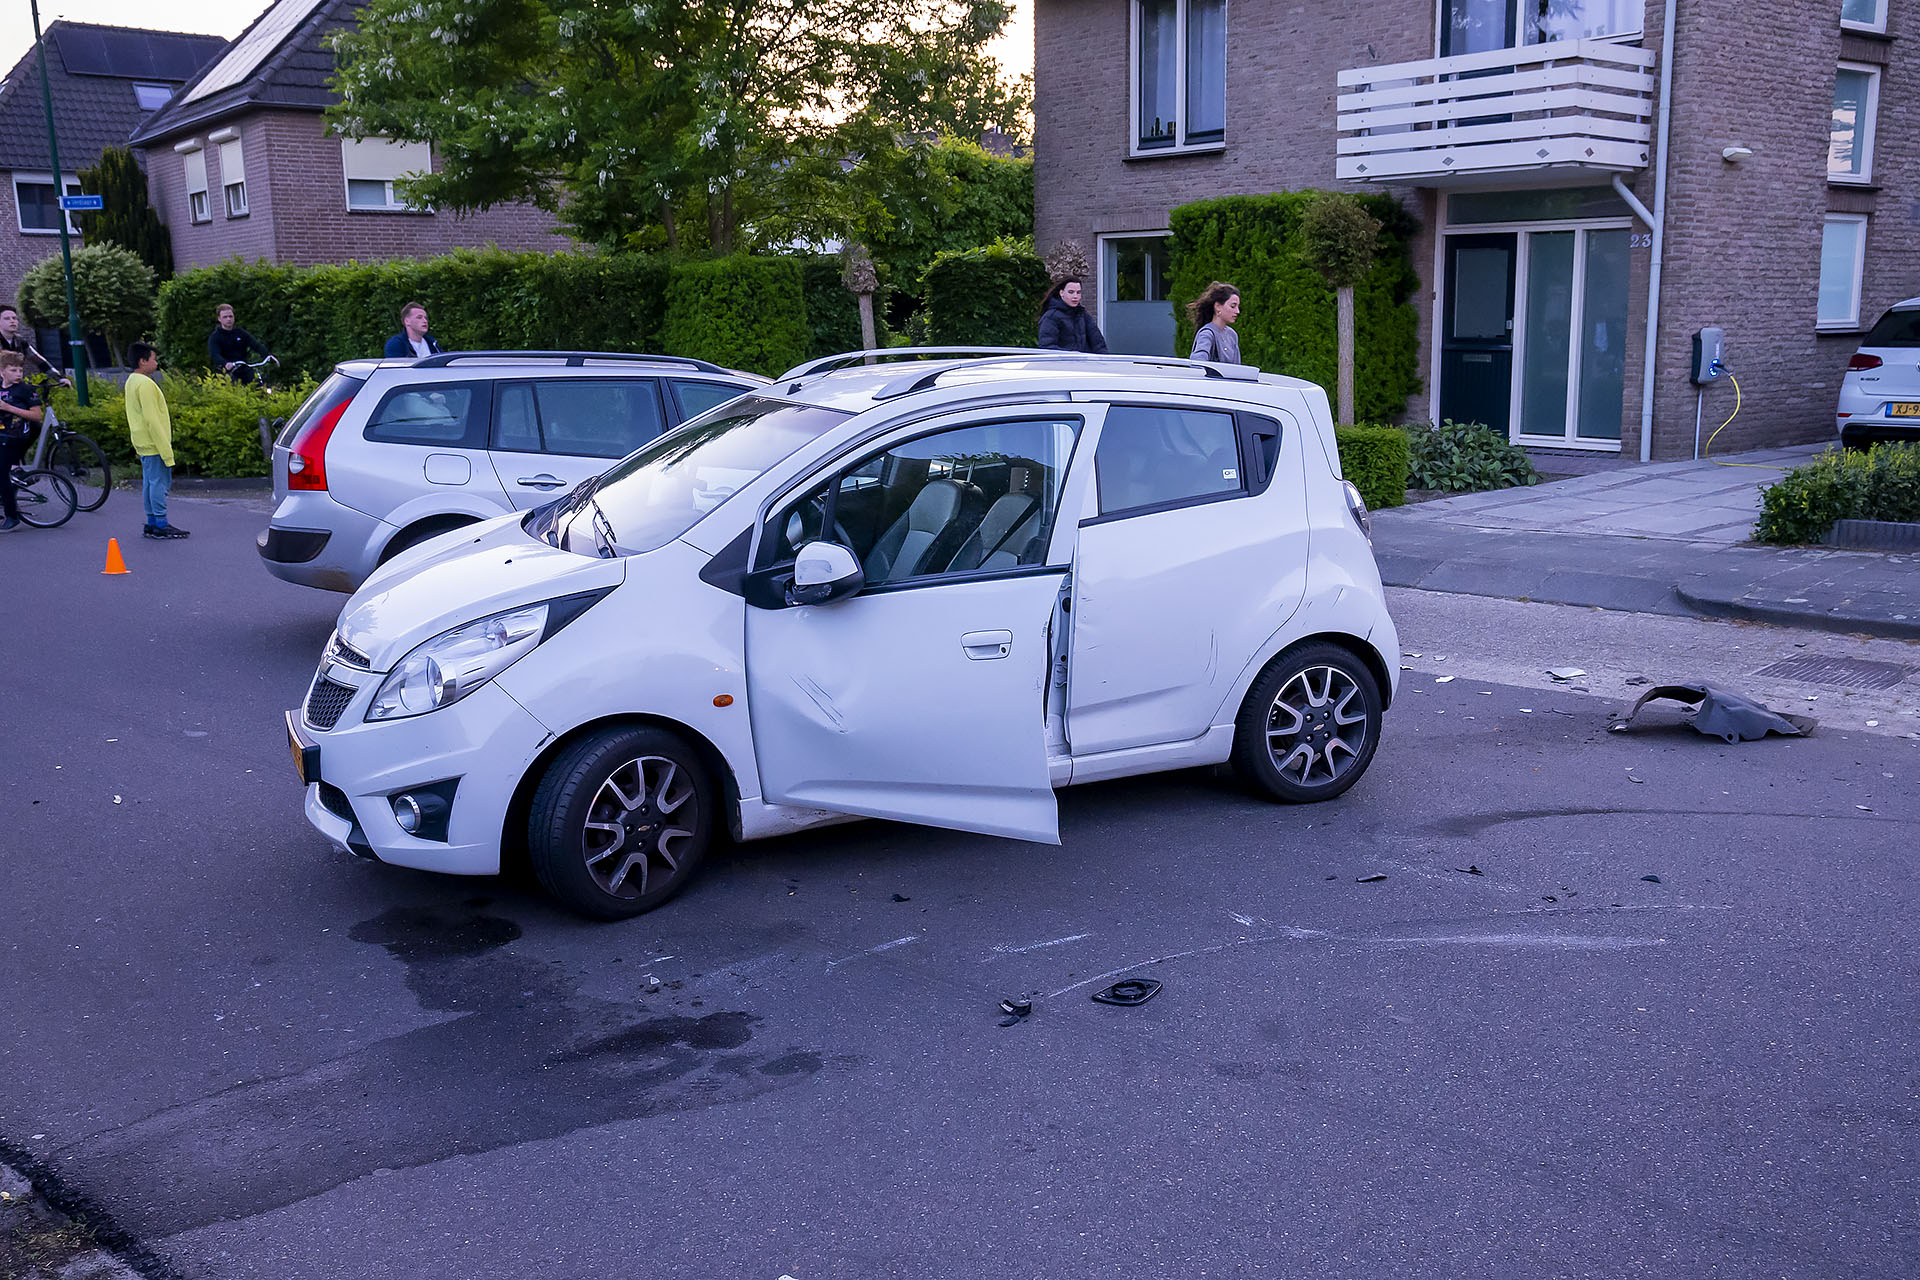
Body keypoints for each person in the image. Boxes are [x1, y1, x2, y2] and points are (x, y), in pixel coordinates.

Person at [126, 342, 186, 540]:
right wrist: (166, 450)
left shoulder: (132, 381)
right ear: (143, 361)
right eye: (154, 359)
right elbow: (152, 419)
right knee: (159, 483)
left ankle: (152, 522)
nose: (157, 362)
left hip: (142, 441)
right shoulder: (145, 384)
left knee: (150, 483)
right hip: (154, 443)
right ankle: (160, 523)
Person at [0, 350, 44, 532]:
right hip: (2, 435)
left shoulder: (25, 390)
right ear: (2, 372)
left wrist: (8, 407)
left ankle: (12, 515)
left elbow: (37, 415)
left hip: (17, 437)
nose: (18, 374)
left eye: (20, 370)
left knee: (1, 473)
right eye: (13, 370)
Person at [0, 305, 69, 386]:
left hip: (13, 385)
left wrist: (60, 378)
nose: (12, 321)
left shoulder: (21, 342)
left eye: (14, 318)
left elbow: (39, 360)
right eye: (7, 318)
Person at [1036, 278, 1109, 354]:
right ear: (1061, 293)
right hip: (1062, 364)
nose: (1075, 296)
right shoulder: (1051, 317)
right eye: (1071, 292)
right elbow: (1047, 347)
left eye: (1078, 292)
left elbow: (1098, 344)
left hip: (1085, 363)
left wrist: (1105, 362)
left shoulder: (1083, 315)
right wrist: (1071, 355)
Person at [207, 303, 275, 384]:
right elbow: (215, 354)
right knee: (234, 387)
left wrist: (268, 355)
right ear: (219, 319)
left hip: (243, 368)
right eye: (225, 317)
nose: (228, 319)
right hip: (226, 371)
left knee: (257, 384)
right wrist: (225, 363)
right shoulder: (215, 337)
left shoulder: (240, 333)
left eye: (230, 316)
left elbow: (256, 345)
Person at [1187, 282, 1242, 365]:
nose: (1237, 311)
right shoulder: (1207, 333)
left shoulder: (1232, 335)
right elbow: (1197, 363)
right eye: (1233, 306)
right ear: (1218, 306)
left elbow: (1237, 368)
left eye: (1238, 307)